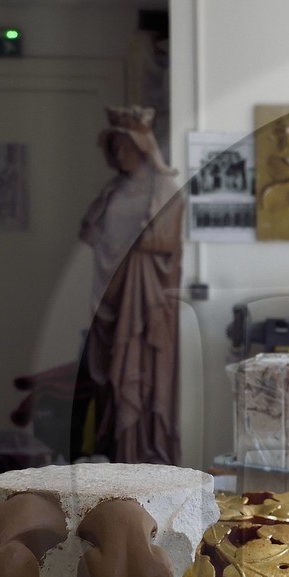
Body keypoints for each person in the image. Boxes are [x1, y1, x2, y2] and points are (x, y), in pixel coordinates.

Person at [79, 105, 185, 464]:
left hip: (145, 301)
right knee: (110, 381)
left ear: (143, 146)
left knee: (139, 377)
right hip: (108, 298)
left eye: (125, 145)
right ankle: (117, 459)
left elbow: (162, 241)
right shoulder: (114, 190)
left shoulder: (166, 190)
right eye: (113, 146)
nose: (118, 153)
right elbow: (92, 233)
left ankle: (143, 456)